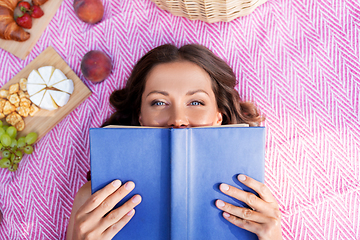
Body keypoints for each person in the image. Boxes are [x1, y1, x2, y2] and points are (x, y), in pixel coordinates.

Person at [66, 44, 282, 240]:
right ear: (140, 117)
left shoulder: (252, 199)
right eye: (159, 102)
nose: (178, 119)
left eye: (196, 102)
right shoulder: (92, 200)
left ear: (219, 116)